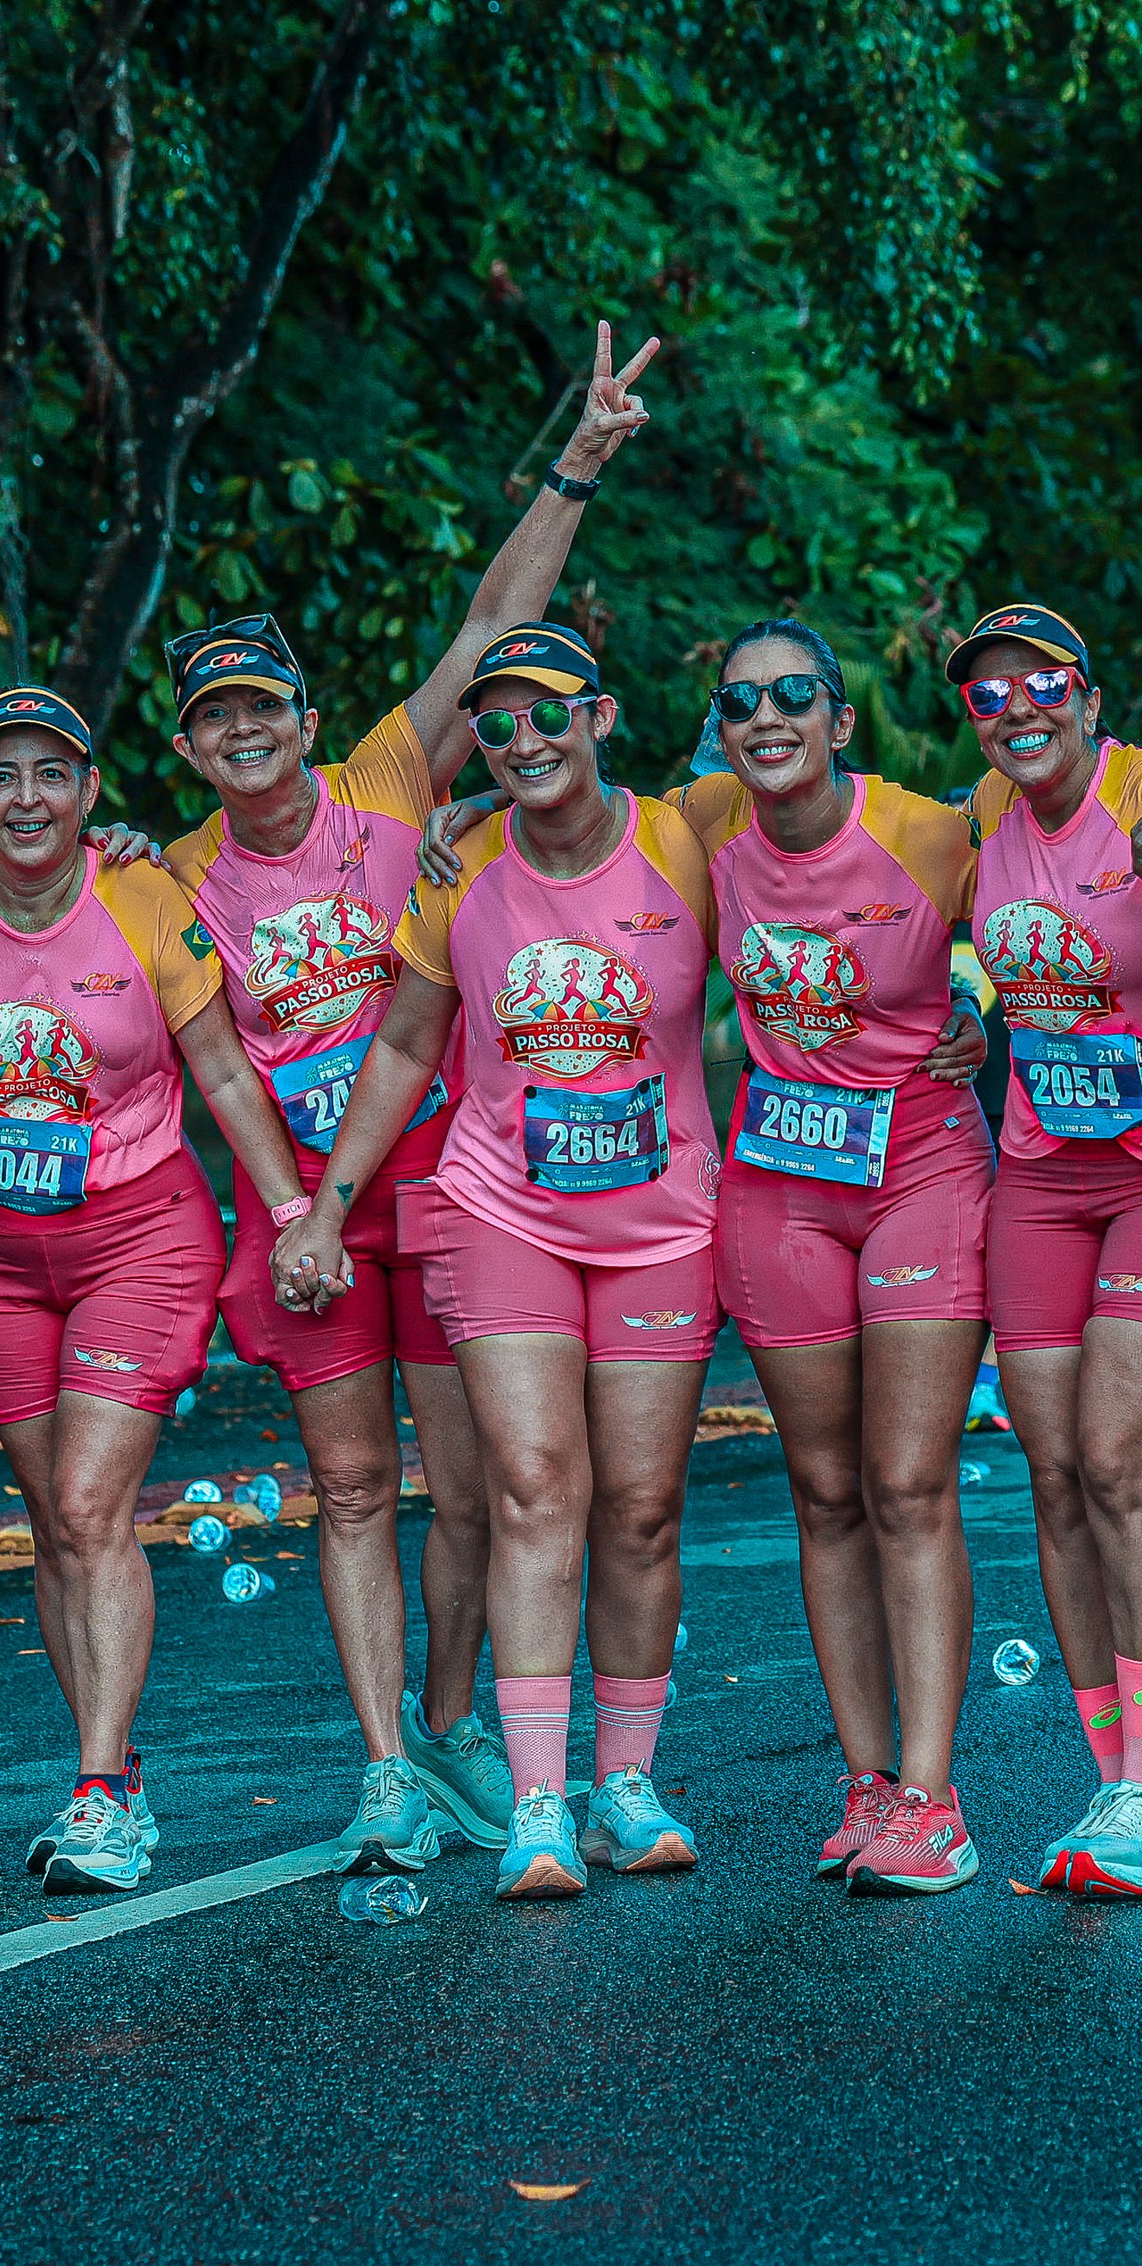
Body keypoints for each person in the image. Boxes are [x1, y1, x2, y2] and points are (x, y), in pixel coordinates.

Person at [145, 323, 659, 1876]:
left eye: (264, 708)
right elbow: (205, 1059)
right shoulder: (164, 880)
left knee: (479, 1487)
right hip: (300, 1213)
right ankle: (383, 1768)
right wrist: (290, 1209)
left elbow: (496, 624)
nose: (243, 732)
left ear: (307, 721)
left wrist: (577, 463)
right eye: (214, 718)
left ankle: (449, 1728)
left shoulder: (388, 784)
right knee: (353, 1487)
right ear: (187, 745)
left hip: (448, 1188)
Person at [0, 687, 347, 1894]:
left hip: (141, 1238)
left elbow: (224, 1072)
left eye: (51, 773)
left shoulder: (142, 896)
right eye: (2, 776)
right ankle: (110, 1774)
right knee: (56, 1519)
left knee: (86, 1501)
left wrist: (292, 1212)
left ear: (88, 792)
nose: (27, 798)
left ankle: (100, 1791)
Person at [309, 622, 718, 1903]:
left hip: (664, 1222)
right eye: (496, 724)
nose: (522, 738)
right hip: (505, 1214)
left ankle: (625, 1783)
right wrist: (325, 1205)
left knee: (640, 1505)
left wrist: (959, 1010)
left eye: (548, 713)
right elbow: (403, 1043)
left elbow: (819, 898)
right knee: (538, 1487)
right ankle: (538, 1800)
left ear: (601, 715)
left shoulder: (687, 839)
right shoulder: (461, 865)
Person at [678, 617, 992, 1893]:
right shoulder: (701, 820)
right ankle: (866, 1780)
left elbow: (1041, 910)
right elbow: (558, 809)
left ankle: (933, 1793)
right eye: (742, 700)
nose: (768, 717)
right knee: (822, 1489)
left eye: (795, 694)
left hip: (920, 1165)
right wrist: (467, 805)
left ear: (841, 720)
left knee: (907, 1481)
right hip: (782, 1180)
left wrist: (978, 1002)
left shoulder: (926, 829)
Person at [952, 603, 1142, 1901]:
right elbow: (943, 931)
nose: (1017, 709)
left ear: (1091, 696)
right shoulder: (983, 815)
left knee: (1118, 1456)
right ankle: (1111, 1778)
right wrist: (966, 1009)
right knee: (1056, 1475)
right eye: (988, 694)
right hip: (1040, 1176)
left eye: (1044, 683)